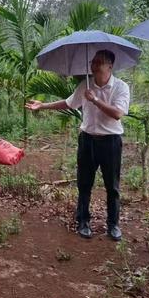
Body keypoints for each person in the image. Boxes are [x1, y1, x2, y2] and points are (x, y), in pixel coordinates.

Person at [26, 49, 130, 241]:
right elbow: (68, 103)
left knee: (112, 186)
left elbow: (118, 114)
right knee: (84, 184)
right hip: (87, 140)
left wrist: (95, 100)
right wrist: (43, 106)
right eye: (93, 62)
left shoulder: (121, 87)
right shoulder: (85, 85)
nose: (95, 65)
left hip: (111, 142)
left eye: (100, 62)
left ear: (110, 66)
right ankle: (83, 221)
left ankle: (113, 225)